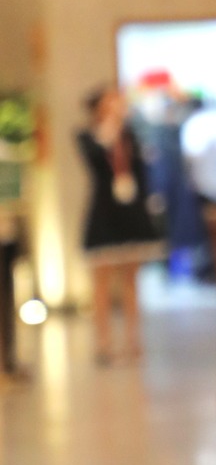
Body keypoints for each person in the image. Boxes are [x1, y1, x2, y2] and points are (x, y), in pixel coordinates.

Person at [76, 85, 163, 364]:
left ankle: (133, 340)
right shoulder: (88, 136)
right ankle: (103, 342)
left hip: (130, 212)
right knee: (101, 282)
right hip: (104, 212)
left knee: (130, 281)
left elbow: (141, 170)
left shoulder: (130, 135)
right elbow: (94, 164)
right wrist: (109, 135)